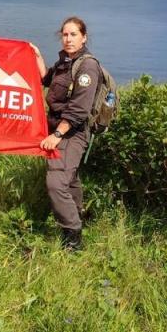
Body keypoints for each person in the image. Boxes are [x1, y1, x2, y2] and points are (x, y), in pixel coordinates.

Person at [32, 16, 102, 252]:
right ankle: (79, 214)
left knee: (56, 182)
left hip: (72, 132)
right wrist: (37, 57)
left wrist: (57, 135)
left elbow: (79, 109)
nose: (68, 39)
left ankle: (73, 238)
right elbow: (46, 80)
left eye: (73, 34)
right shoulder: (64, 61)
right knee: (69, 178)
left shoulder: (87, 66)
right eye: (65, 34)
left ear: (84, 37)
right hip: (58, 129)